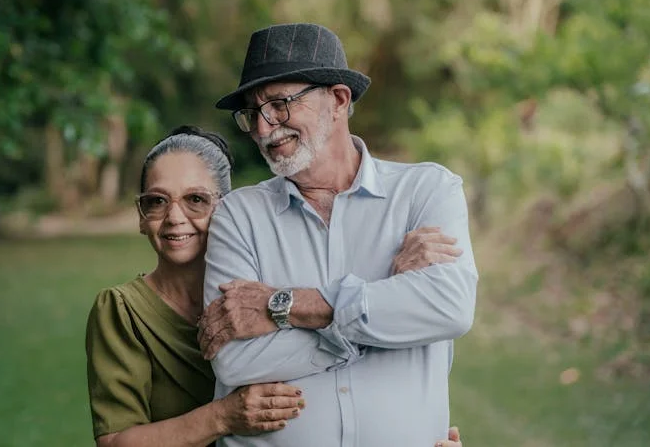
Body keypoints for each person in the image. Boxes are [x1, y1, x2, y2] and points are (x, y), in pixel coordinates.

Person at [200, 23, 478, 447]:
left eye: (279, 104)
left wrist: (286, 305)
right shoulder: (239, 216)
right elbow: (236, 361)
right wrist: (386, 298)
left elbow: (449, 309)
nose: (262, 127)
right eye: (252, 113)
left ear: (338, 100)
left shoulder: (427, 191)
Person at [85, 126, 306, 447]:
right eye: (157, 201)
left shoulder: (266, 294)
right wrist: (223, 416)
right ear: (141, 216)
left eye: (196, 199)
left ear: (227, 208)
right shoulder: (123, 311)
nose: (174, 217)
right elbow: (115, 442)